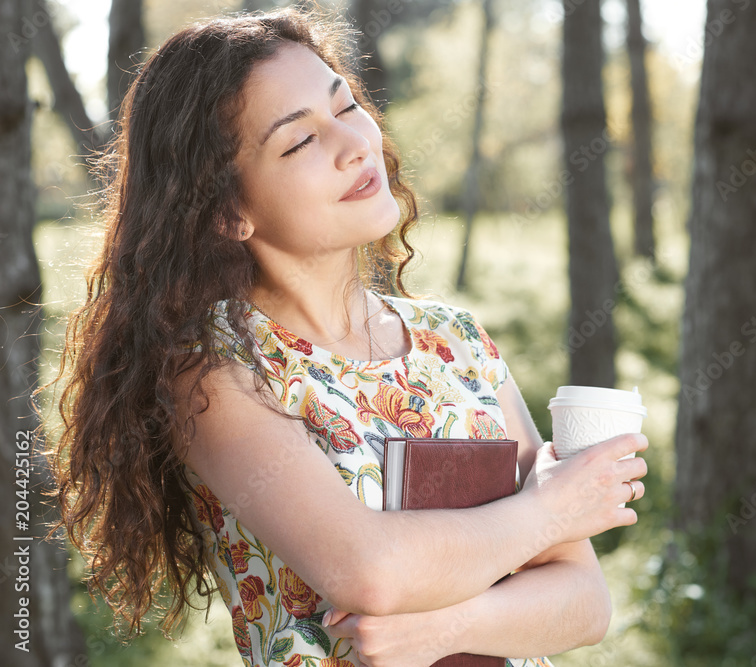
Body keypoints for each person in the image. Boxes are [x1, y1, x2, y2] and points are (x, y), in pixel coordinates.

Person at [43, 7, 648, 667]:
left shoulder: (457, 341)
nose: (356, 144)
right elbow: (370, 571)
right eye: (299, 141)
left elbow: (584, 600)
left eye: (347, 104)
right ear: (229, 211)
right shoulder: (215, 374)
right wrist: (555, 507)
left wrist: (449, 627)